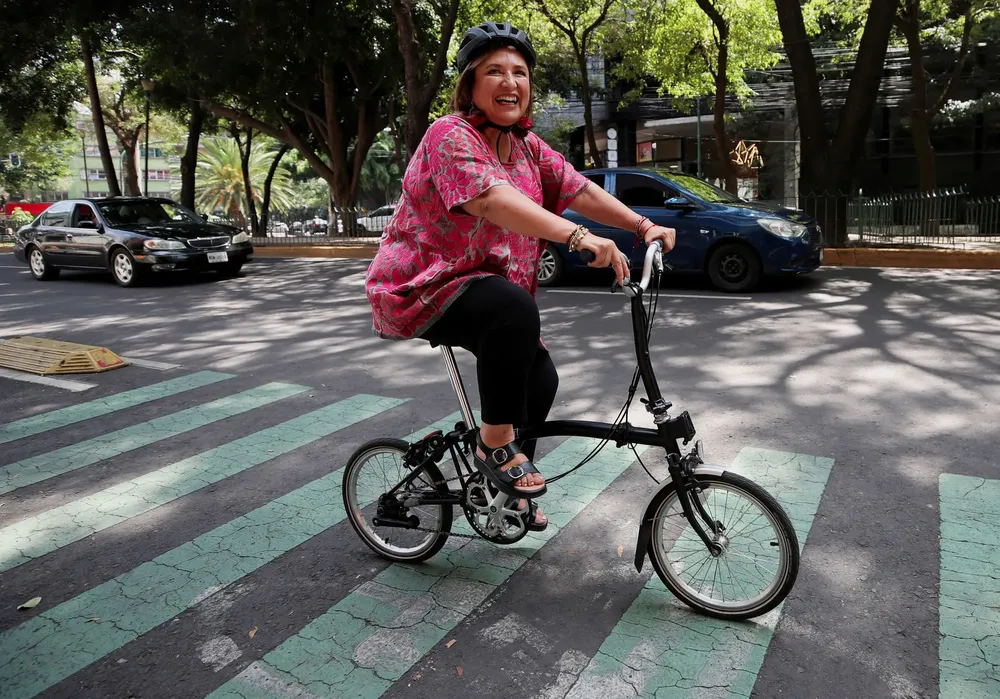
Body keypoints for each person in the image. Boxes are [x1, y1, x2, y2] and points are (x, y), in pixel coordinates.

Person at [365, 21, 676, 530]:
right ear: (470, 86)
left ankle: (504, 489)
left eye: (520, 72)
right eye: (494, 71)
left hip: (486, 291)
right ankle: (494, 447)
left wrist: (643, 225)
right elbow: (491, 199)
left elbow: (579, 190)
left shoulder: (529, 148)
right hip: (425, 287)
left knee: (540, 379)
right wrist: (578, 238)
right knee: (513, 308)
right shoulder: (450, 136)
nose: (510, 81)